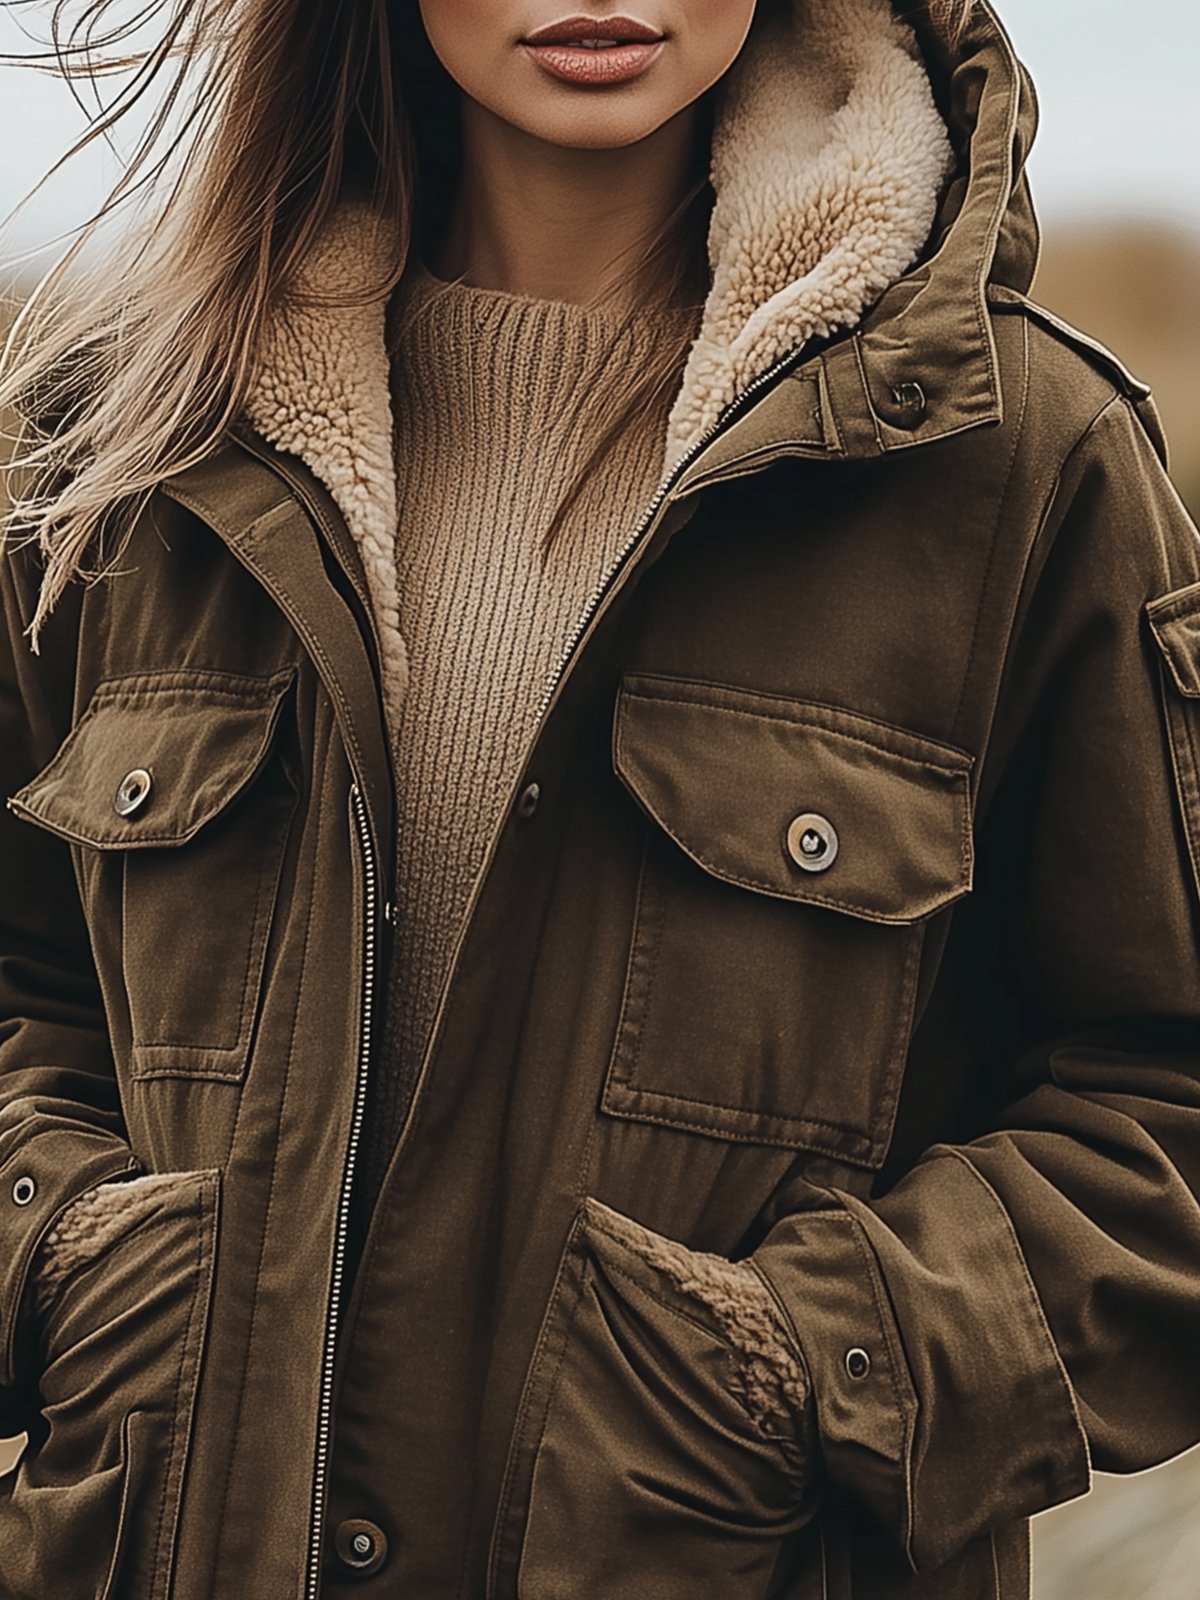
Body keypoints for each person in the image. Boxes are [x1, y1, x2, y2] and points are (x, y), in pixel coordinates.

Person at [1, 0, 1199, 1595]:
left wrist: (801, 1368)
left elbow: (1162, 1102)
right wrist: (76, 1260)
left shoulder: (1026, 466)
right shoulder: (122, 447)